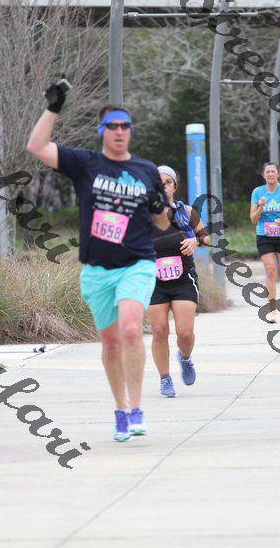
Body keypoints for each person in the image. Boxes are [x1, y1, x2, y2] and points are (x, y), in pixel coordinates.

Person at [26, 78, 170, 442]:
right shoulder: (85, 163)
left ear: (131, 131)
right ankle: (120, 408)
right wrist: (53, 107)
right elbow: (36, 146)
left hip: (137, 263)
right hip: (96, 271)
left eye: (125, 126)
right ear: (102, 131)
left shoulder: (146, 170)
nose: (120, 131)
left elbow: (163, 222)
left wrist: (159, 206)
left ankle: (136, 409)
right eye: (113, 126)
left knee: (131, 329)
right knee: (110, 344)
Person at [147, 165, 210, 397]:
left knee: (184, 333)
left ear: (174, 186)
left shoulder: (186, 211)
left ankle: (185, 358)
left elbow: (206, 238)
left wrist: (195, 241)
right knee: (159, 331)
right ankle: (165, 379)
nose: (163, 186)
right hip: (153, 279)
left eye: (168, 182)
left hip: (183, 277)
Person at [250, 162, 280, 323]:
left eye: (273, 171)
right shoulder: (257, 192)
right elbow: (253, 219)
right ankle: (272, 310)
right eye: (268, 172)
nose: (270, 174)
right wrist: (260, 207)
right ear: (263, 175)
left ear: (278, 174)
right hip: (264, 236)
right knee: (270, 271)